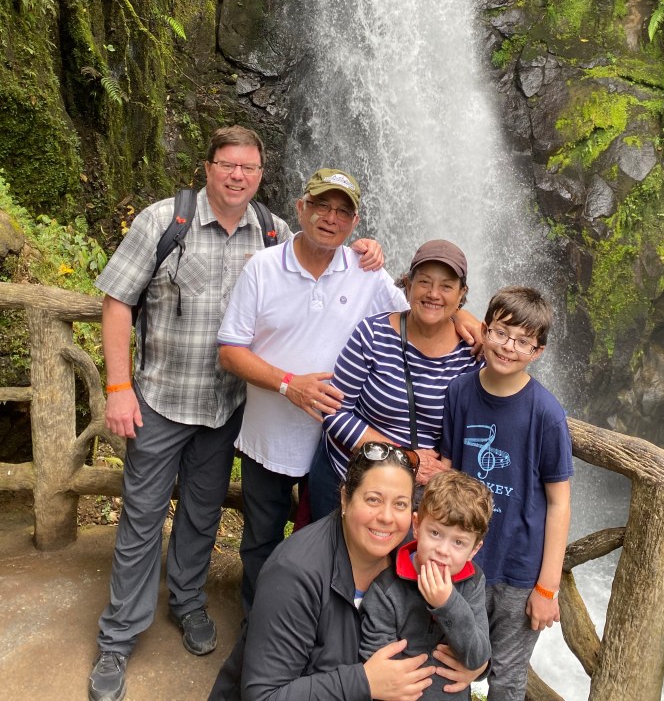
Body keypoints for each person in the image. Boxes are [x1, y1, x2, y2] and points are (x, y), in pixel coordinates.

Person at [88, 132, 382, 701]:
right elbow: (117, 300)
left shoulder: (271, 230)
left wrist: (374, 255)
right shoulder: (163, 221)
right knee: (143, 517)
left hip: (229, 408)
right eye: (228, 164)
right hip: (162, 399)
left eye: (249, 167)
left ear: (261, 175)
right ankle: (118, 637)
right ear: (208, 167)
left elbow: (338, 273)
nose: (238, 176)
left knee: (202, 515)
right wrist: (118, 387)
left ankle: (187, 603)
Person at [216, 167, 408, 613]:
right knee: (261, 540)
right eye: (321, 205)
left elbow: (417, 318)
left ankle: (319, 631)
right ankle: (258, 626)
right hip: (269, 440)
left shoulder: (366, 271)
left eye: (342, 211)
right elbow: (230, 351)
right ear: (300, 208)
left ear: (354, 223)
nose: (330, 218)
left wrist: (464, 318)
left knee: (332, 544)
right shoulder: (263, 268)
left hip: (338, 447)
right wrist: (289, 385)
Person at [227, 442, 484, 701]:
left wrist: (477, 665)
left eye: (400, 504)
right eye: (373, 499)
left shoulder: (420, 550)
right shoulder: (293, 574)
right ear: (345, 497)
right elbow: (263, 695)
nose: (387, 517)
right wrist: (363, 682)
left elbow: (474, 616)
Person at [440, 286, 573, 701]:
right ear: (484, 330)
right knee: (451, 661)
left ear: (538, 351)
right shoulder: (459, 393)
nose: (508, 347)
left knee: (509, 679)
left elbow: (560, 502)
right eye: (500, 333)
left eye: (522, 341)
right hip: (462, 561)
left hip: (519, 571)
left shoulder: (546, 414)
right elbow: (447, 473)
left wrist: (547, 588)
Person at [309, 239, 480, 520]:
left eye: (446, 286)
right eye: (424, 282)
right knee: (332, 550)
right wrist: (405, 457)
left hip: (417, 500)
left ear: (462, 294)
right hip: (349, 482)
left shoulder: (473, 354)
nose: (433, 293)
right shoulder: (372, 334)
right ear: (408, 285)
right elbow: (335, 412)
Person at [359, 469, 493, 700]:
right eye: (435, 533)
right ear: (417, 526)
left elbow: (478, 657)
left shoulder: (472, 581)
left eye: (459, 542)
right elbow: (377, 668)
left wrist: (448, 604)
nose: (443, 550)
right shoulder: (387, 590)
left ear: (474, 550)